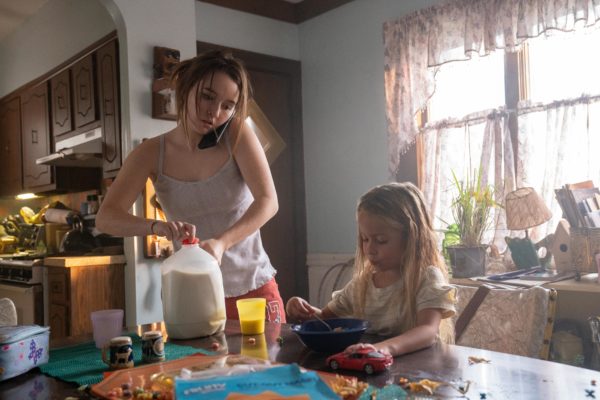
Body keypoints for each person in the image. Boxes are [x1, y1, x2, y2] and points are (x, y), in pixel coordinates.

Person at [96, 50, 285, 323]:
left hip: (253, 290)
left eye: (228, 106)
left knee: (266, 366)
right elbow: (106, 217)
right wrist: (154, 226)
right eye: (207, 96)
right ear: (186, 88)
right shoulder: (151, 153)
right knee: (195, 367)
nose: (215, 112)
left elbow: (269, 201)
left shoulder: (238, 135)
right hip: (191, 296)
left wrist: (221, 244)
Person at [286, 182, 455, 356]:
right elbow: (325, 320)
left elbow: (427, 330)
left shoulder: (426, 278)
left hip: (419, 373)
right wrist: (302, 310)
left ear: (411, 238)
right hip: (372, 369)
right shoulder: (363, 284)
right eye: (365, 239)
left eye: (381, 240)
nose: (370, 249)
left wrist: (383, 349)